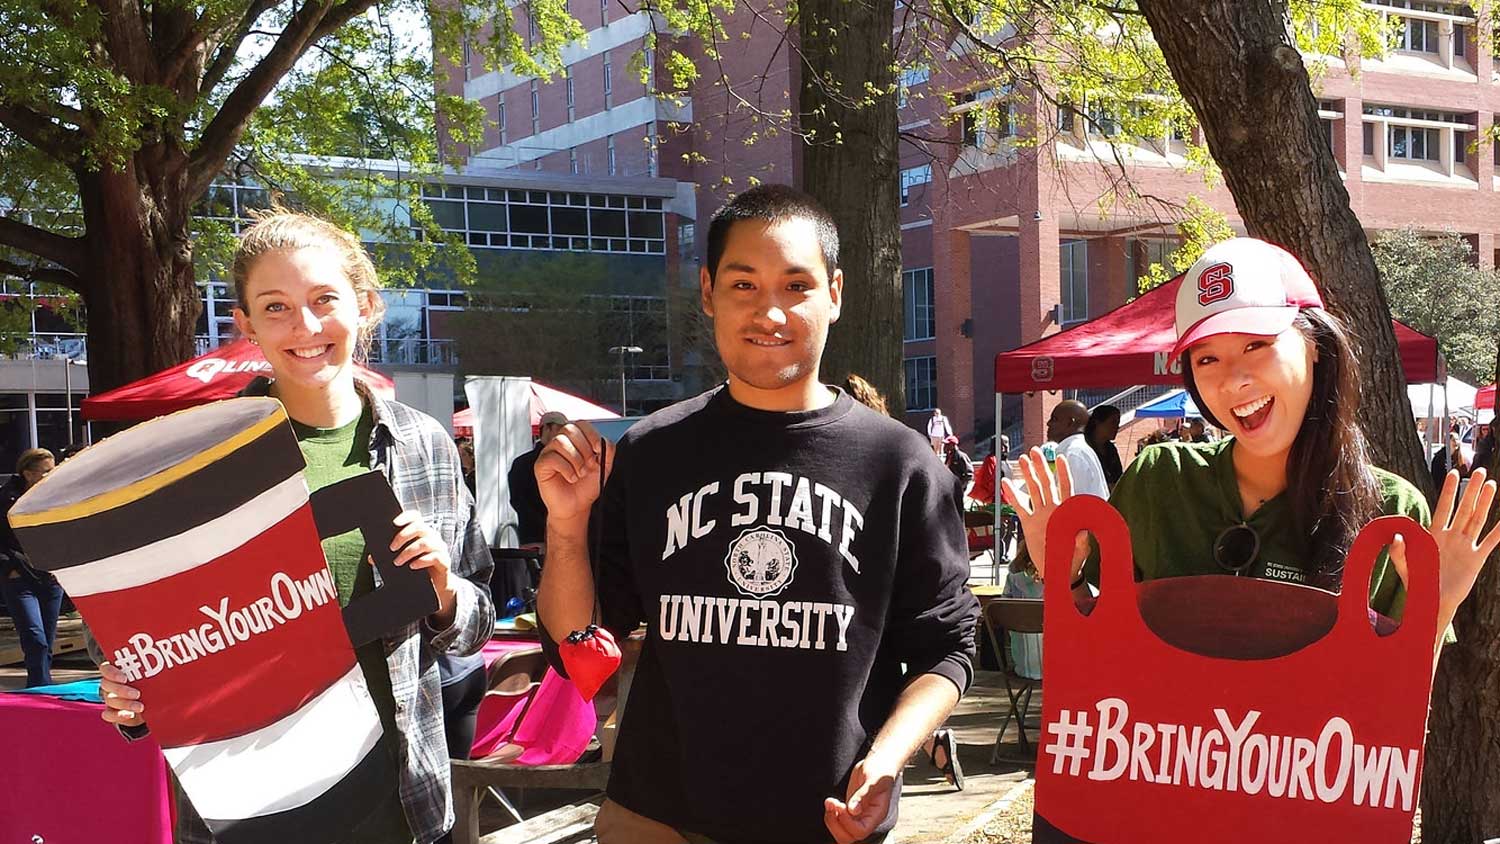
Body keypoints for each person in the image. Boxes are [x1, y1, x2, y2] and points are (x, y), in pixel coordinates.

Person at [535, 184, 980, 843]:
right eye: (744, 285)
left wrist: (886, 760)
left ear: (834, 293)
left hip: (831, 822)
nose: (770, 311)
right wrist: (567, 528)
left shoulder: (900, 463)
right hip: (657, 818)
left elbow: (948, 648)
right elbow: (582, 651)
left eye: (795, 285)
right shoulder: (653, 451)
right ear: (710, 292)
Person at [97, 211, 496, 844]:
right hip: (251, 803)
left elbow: (478, 620)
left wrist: (445, 593)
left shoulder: (426, 445)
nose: (305, 327)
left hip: (402, 801)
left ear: (365, 306)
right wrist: (131, 692)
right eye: (276, 306)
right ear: (246, 324)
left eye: (323, 299)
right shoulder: (193, 462)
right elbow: (138, 633)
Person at [1003, 237, 1498, 663]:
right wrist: (1062, 577)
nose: (1233, 381)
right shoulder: (1158, 481)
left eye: (1257, 346)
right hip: (1169, 772)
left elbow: (1394, 717)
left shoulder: (1390, 514)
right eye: (1208, 358)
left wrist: (1438, 609)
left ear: (1316, 346)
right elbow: (1101, 667)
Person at [842, 372, 965, 791]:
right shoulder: (898, 458)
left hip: (872, 618)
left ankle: (922, 741)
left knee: (886, 671)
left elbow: (949, 643)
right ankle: (928, 741)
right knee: (893, 669)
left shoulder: (895, 461)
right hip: (885, 616)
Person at [1, 448, 65, 687]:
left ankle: (41, 685)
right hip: (19, 578)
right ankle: (40, 687)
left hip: (50, 577)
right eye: (46, 471)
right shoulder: (7, 499)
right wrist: (10, 569)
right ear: (28, 474)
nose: (52, 475)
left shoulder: (56, 497)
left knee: (47, 639)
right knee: (34, 636)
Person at [507, 410, 568, 547]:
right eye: (559, 429)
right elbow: (518, 500)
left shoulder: (565, 461)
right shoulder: (523, 463)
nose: (563, 434)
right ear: (546, 428)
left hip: (558, 536)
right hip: (536, 537)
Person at [1046, 399, 1109, 500]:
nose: (1048, 423)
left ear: (1070, 423)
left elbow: (1075, 503)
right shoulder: (1077, 450)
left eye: (1054, 419)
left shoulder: (1074, 453)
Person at [1084, 404, 1124, 487]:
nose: (1117, 427)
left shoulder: (1111, 449)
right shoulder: (1084, 447)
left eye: (1118, 423)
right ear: (1097, 422)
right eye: (1113, 422)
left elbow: (1119, 477)